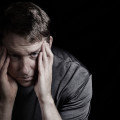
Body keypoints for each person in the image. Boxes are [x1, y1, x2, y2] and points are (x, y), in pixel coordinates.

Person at [0, 2, 92, 120]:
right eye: (14, 55)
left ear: (49, 44)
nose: (24, 70)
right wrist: (5, 104)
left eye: (34, 54)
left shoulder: (74, 78)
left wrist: (45, 99)